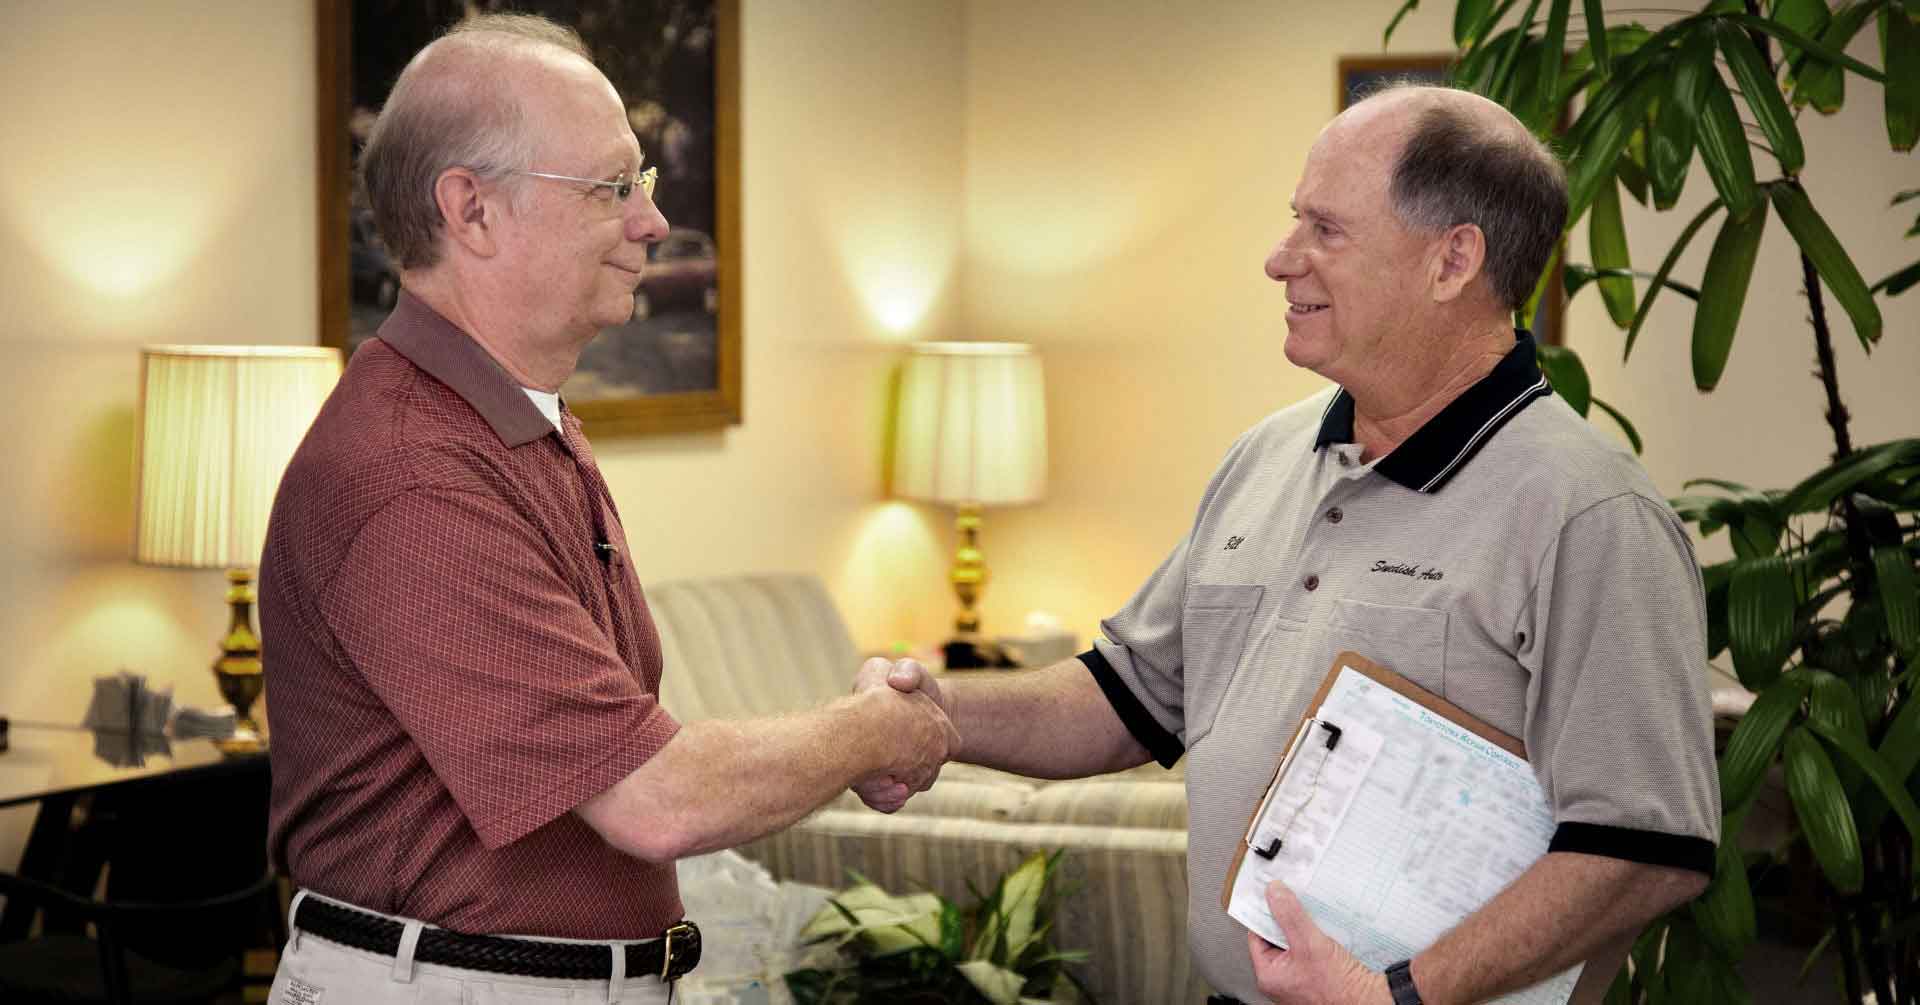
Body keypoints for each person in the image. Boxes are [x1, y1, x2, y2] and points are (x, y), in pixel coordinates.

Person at [860, 85, 1720, 1005]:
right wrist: (941, 716)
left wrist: (1401, 997)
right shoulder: (1266, 455)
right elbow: (1130, 695)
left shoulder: (1590, 514)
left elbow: (1644, 849)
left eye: (1326, 229)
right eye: (1292, 222)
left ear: (1452, 260)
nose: (1281, 259)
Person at [259, 14, 955, 1005]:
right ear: (472, 212)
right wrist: (872, 734)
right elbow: (654, 798)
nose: (652, 223)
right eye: (611, 187)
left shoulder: (515, 424)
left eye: (644, 183)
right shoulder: (412, 475)